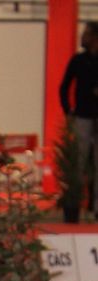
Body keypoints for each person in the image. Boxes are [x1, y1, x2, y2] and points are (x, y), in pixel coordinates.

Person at [59, 21, 98, 217]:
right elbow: (64, 87)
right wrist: (68, 111)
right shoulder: (78, 60)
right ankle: (72, 205)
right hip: (82, 116)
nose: (82, 37)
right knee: (78, 162)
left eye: (86, 34)